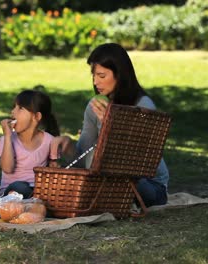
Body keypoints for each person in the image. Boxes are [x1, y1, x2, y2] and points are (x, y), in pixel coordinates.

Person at [51, 43, 169, 207]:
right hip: (110, 180)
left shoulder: (143, 105)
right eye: (93, 75)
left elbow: (138, 160)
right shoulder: (95, 105)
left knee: (112, 180)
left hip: (147, 184)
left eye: (101, 76)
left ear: (119, 75)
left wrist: (111, 124)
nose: (95, 82)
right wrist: (68, 146)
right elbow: (84, 155)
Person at [0, 90, 60, 198]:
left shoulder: (50, 141)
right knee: (21, 187)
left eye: (20, 108)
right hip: (10, 192)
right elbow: (7, 168)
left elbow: (53, 169)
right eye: (14, 107)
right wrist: (8, 137)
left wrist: (54, 168)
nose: (13, 112)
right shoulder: (6, 140)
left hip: (37, 192)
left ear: (36, 117)